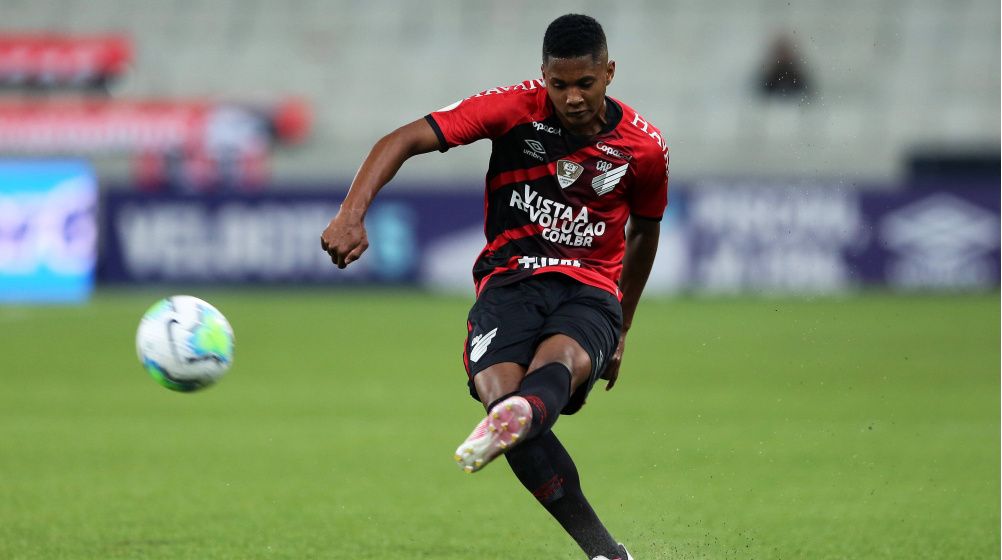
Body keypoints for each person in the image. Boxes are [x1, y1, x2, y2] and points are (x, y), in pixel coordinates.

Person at [321, 14, 668, 560]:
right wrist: (350, 214)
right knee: (504, 398)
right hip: (510, 281)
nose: (572, 98)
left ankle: (527, 414)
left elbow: (645, 232)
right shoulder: (514, 110)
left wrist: (623, 324)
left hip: (590, 287)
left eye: (585, 83)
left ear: (609, 73)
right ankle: (603, 548)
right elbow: (404, 138)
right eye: (559, 85)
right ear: (543, 76)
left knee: (563, 360)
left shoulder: (643, 149)